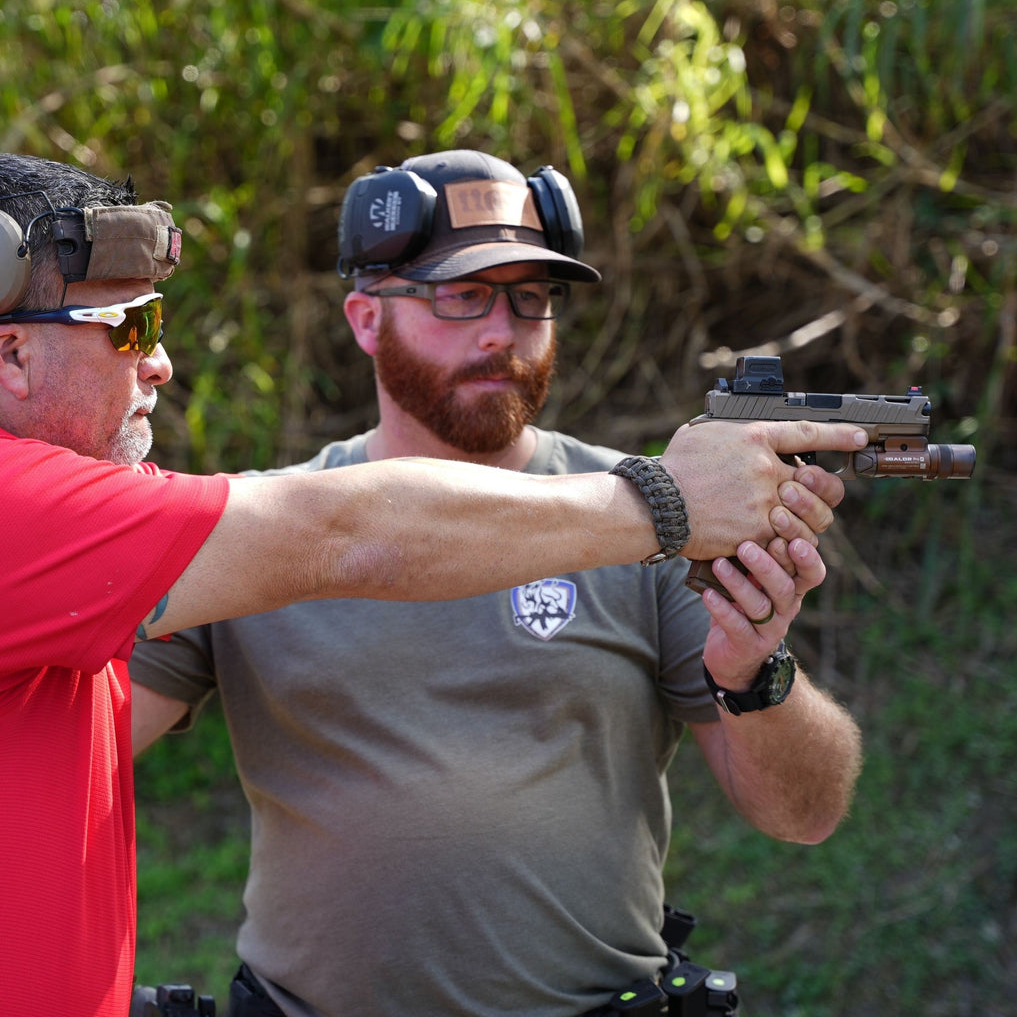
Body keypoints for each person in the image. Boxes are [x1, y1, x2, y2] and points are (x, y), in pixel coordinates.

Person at [0, 150, 863, 1017]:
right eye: (462, 294)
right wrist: (666, 501)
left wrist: (759, 676)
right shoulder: (254, 531)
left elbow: (806, 816)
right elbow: (354, 534)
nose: (502, 328)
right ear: (366, 319)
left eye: (532, 297)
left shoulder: (630, 522)